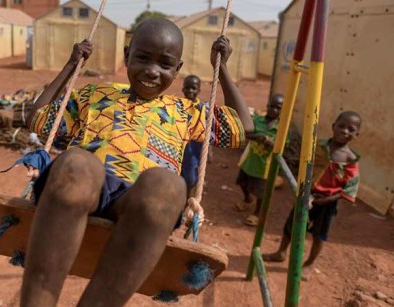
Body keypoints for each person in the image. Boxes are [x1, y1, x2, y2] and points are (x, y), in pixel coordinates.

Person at [22, 18, 253, 306]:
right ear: (127, 55)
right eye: (142, 58)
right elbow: (38, 119)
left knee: (168, 184)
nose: (152, 71)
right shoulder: (94, 94)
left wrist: (224, 69)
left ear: (177, 69)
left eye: (165, 64)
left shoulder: (184, 110)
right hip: (83, 189)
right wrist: (72, 65)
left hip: (140, 206)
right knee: (78, 164)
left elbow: (244, 128)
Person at [263, 111, 362, 281]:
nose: (345, 131)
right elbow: (303, 164)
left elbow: (348, 190)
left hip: (327, 202)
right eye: (341, 126)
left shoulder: (351, 160)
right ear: (333, 126)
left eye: (351, 129)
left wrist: (325, 200)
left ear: (356, 134)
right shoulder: (318, 146)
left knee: (319, 235)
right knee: (291, 226)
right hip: (307, 195)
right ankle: (281, 252)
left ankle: (309, 263)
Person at [235, 94, 284, 226]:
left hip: (265, 166)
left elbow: (283, 146)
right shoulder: (258, 120)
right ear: (267, 106)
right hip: (250, 160)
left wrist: (270, 142)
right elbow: (247, 133)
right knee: (242, 182)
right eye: (272, 106)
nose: (274, 110)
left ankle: (257, 213)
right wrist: (257, 137)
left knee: (261, 193)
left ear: (282, 110)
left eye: (278, 108)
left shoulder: (282, 129)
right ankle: (247, 200)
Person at [179, 75, 213, 194]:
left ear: (198, 91)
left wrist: (209, 151)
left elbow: (208, 131)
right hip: (178, 147)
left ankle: (188, 197)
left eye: (193, 88)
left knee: (190, 176)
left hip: (193, 149)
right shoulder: (177, 106)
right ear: (183, 89)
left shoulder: (203, 110)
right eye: (187, 88)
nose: (190, 91)